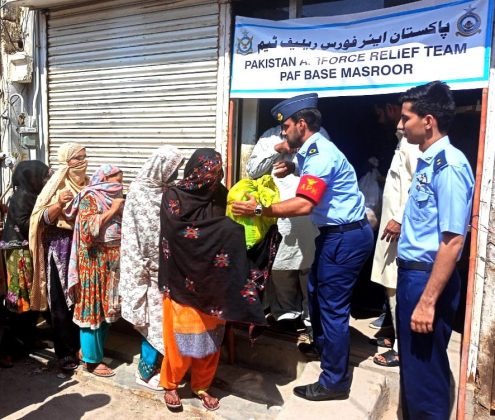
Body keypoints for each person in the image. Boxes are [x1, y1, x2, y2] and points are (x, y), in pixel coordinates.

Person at [232, 93, 374, 401]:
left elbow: (305, 203)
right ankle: (326, 352)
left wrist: (260, 211)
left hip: (345, 236)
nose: (283, 133)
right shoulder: (311, 151)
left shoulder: (321, 153)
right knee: (316, 295)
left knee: (332, 308)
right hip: (336, 234)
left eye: (287, 127)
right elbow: (320, 182)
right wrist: (292, 165)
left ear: (303, 124)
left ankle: (334, 381)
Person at [158, 148, 279, 411]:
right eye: (209, 171)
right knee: (181, 339)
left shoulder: (220, 194)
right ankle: (170, 384)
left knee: (211, 340)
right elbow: (177, 233)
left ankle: (202, 385)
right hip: (182, 279)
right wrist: (224, 230)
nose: (214, 176)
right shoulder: (174, 195)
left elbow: (235, 223)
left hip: (214, 279)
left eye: (218, 170)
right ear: (195, 170)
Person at [395, 81, 474, 419]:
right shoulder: (428, 161)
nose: (400, 125)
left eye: (405, 118)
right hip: (415, 277)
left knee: (425, 374)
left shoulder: (450, 167)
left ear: (428, 120)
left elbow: (453, 241)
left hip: (428, 282)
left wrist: (427, 302)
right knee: (415, 370)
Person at [246, 125, 328, 330]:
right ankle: (286, 316)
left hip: (306, 211)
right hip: (275, 211)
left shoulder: (319, 136)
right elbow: (252, 171)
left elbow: (322, 170)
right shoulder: (268, 137)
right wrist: (277, 148)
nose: (286, 127)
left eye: (290, 122)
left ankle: (311, 320)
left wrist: (296, 163)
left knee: (308, 267)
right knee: (280, 266)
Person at [120, 146, 183, 390]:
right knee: (152, 322)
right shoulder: (138, 191)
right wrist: (147, 268)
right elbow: (138, 235)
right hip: (146, 269)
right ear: (162, 168)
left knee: (167, 322)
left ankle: (165, 368)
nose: (176, 174)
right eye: (173, 169)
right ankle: (145, 372)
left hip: (167, 267)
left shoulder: (169, 192)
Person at [369, 100, 421, 368]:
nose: (399, 124)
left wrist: (399, 219)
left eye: (404, 118)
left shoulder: (413, 145)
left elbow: (416, 184)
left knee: (396, 287)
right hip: (392, 228)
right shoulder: (403, 142)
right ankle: (393, 334)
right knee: (391, 285)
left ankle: (403, 348)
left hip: (398, 230)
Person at [30, 142, 89, 371]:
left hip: (83, 249)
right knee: (61, 303)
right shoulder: (56, 185)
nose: (83, 162)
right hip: (60, 250)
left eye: (85, 157)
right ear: (66, 161)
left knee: (81, 300)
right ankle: (64, 353)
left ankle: (81, 347)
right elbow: (41, 218)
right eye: (77, 158)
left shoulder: (87, 183)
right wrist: (58, 204)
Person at [66, 164, 125, 377]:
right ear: (105, 179)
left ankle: (87, 352)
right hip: (93, 261)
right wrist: (113, 210)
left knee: (106, 309)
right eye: (117, 180)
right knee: (92, 309)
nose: (120, 184)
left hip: (111, 263)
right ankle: (92, 360)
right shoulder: (90, 197)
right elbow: (88, 233)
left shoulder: (115, 198)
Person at [0, 160, 50, 363]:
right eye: (42, 176)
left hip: (26, 251)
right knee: (20, 299)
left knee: (30, 297)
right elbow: (24, 222)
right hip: (19, 253)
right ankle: (12, 346)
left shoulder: (30, 195)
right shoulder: (23, 196)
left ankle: (28, 339)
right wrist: (47, 216)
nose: (45, 180)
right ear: (31, 178)